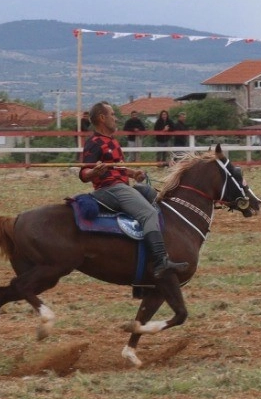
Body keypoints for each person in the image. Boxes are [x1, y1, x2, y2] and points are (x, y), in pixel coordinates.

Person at [78, 101, 183, 278]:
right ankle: (160, 262)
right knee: (149, 213)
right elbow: (83, 172)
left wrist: (133, 174)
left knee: (152, 195)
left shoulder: (113, 142)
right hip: (109, 190)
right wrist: (93, 172)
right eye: (112, 114)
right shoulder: (94, 142)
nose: (115, 118)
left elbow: (117, 168)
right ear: (102, 118)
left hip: (122, 186)